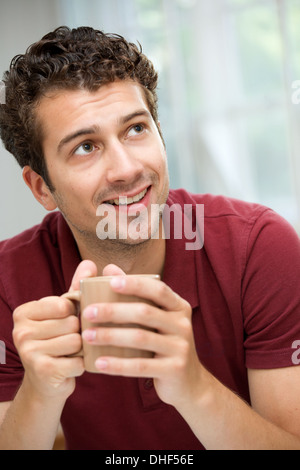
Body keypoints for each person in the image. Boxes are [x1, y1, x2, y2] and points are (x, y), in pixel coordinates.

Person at [0, 26, 299, 451]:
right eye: (85, 147)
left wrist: (194, 389)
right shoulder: (8, 284)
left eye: (136, 129)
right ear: (41, 188)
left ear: (159, 132)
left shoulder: (259, 247)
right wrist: (39, 393)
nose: (125, 169)